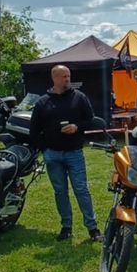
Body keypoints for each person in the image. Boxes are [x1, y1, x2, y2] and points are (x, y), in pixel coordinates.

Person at [29, 64, 101, 242]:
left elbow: (91, 120)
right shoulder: (43, 102)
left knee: (81, 189)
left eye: (68, 76)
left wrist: (77, 126)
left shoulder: (79, 97)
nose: (67, 79)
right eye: (64, 77)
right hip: (53, 155)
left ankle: (92, 229)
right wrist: (44, 149)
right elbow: (34, 130)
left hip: (74, 152)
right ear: (54, 78)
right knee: (60, 192)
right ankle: (66, 227)